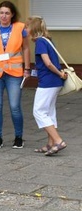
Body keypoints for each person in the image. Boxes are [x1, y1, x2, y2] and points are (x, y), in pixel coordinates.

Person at [0, 1, 31, 149]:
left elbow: (26, 48)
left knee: (15, 106)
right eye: (1, 12)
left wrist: (27, 68)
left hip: (14, 73)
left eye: (7, 13)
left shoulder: (20, 28)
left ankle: (19, 137)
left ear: (12, 14)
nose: (4, 16)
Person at [27, 16, 67, 156]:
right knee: (49, 112)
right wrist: (60, 76)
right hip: (55, 82)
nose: (26, 30)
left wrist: (60, 74)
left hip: (48, 82)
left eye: (27, 27)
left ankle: (58, 141)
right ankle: (50, 144)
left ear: (33, 28)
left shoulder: (40, 43)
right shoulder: (48, 40)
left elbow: (48, 63)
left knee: (38, 111)